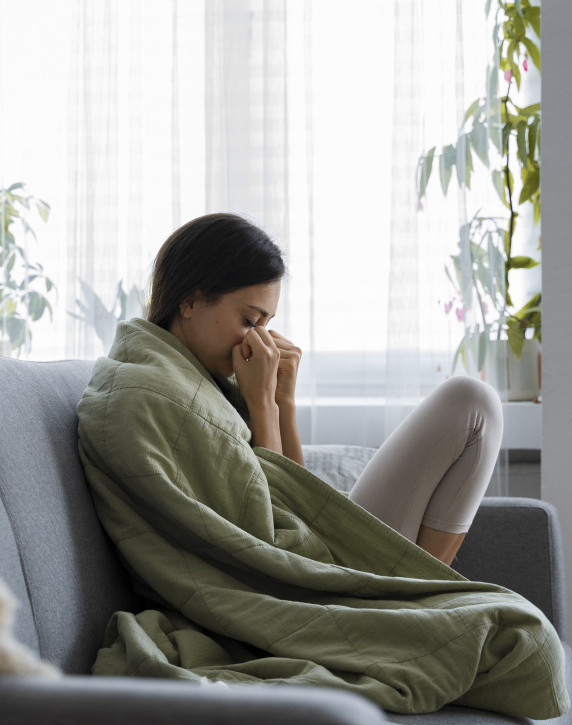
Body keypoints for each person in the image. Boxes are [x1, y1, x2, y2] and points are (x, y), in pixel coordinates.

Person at [147, 211, 503, 566]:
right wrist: (263, 405)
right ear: (190, 302)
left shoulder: (213, 380)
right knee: (472, 403)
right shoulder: (163, 394)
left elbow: (300, 504)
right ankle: (418, 591)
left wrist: (282, 401)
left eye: (266, 324)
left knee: (475, 403)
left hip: (315, 553)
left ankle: (416, 589)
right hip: (302, 571)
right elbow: (270, 531)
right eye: (250, 320)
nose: (260, 339)